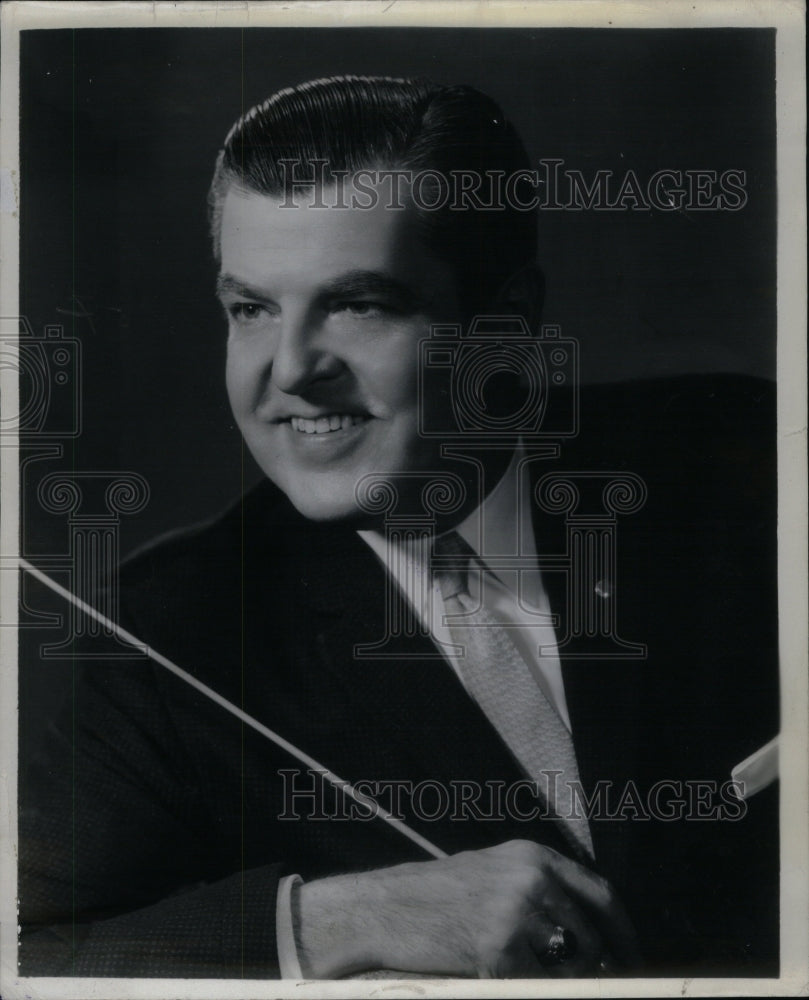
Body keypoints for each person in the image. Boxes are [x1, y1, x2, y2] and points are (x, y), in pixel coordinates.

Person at [19, 75, 779, 980]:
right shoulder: (159, 635)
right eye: (251, 309)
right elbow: (33, 948)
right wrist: (332, 921)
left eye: (358, 304)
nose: (292, 370)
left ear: (508, 319)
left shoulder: (746, 460)